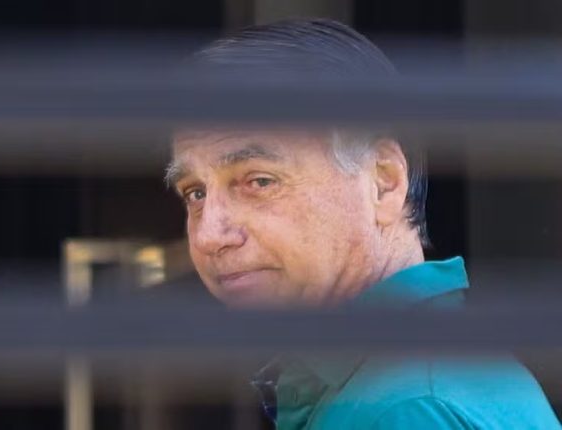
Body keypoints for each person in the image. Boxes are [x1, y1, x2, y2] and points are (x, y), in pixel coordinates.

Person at [165, 18, 561, 429]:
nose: (209, 236)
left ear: (383, 183)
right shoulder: (430, 372)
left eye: (260, 181)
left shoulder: (405, 407)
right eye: (195, 193)